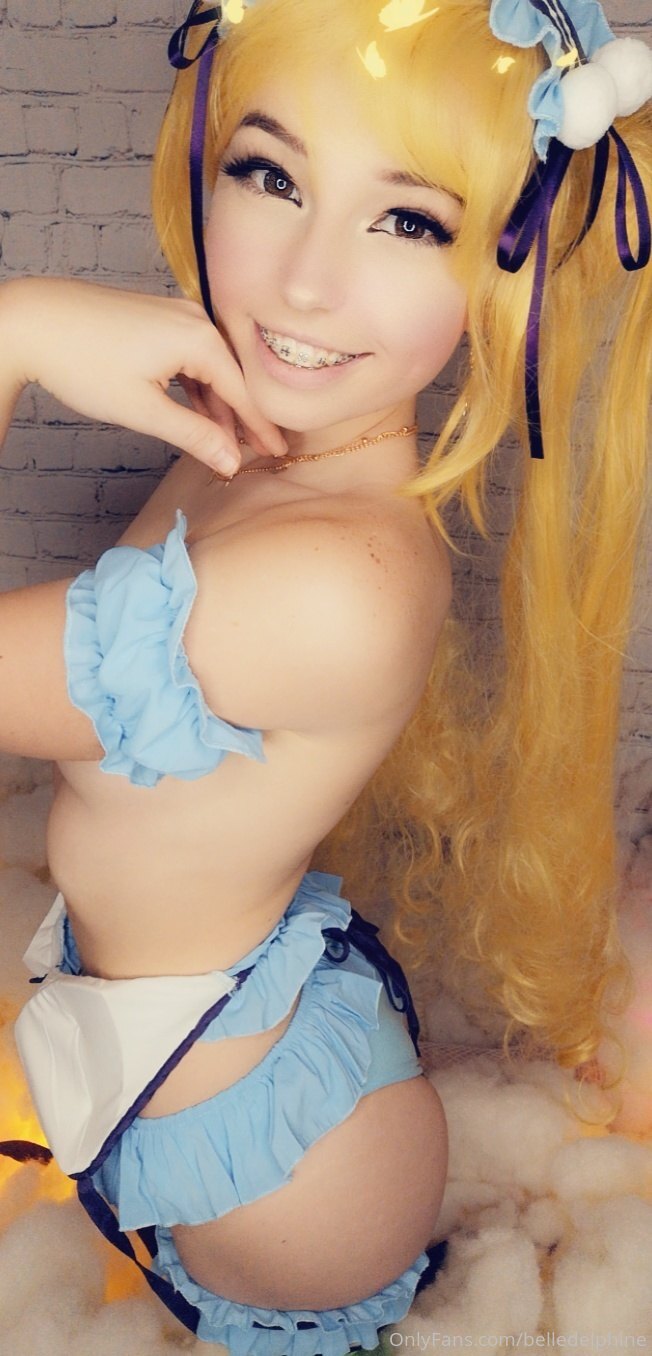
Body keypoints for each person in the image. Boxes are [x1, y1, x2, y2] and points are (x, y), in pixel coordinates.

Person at [0, 0, 650, 1352]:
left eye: (408, 221)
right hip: (206, 1033)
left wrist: (19, 330)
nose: (304, 283)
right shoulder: (259, 437)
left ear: (502, 277)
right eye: (272, 174)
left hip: (293, 1186)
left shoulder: (334, 585)